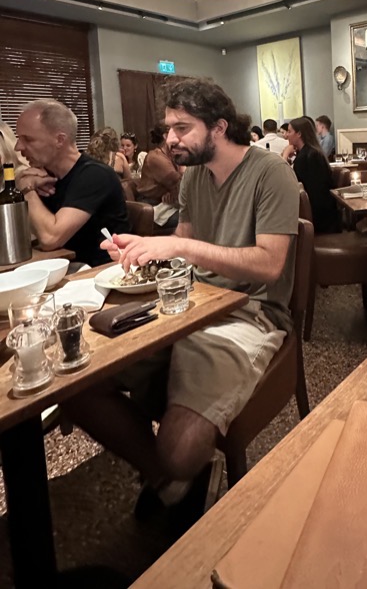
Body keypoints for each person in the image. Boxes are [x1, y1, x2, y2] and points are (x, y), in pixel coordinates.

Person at [64, 79, 299, 522]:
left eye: (182, 128)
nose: (170, 138)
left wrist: (179, 247)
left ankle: (172, 471)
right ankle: (170, 482)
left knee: (179, 451)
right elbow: (185, 246)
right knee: (77, 385)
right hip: (190, 301)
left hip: (250, 312)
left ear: (219, 127)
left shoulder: (270, 172)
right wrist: (142, 250)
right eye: (169, 128)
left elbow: (270, 264)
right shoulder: (194, 176)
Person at [14, 99, 129, 265]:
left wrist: (26, 190)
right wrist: (21, 182)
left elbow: (50, 238)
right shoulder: (43, 177)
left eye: (28, 139)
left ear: (60, 140)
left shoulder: (94, 175)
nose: (18, 147)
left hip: (99, 271)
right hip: (63, 266)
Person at [284, 117, 340, 233]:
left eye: (289, 131)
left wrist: (285, 155)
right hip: (324, 214)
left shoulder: (309, 156)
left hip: (320, 219)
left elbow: (289, 182)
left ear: (299, 134)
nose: (286, 135)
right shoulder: (310, 152)